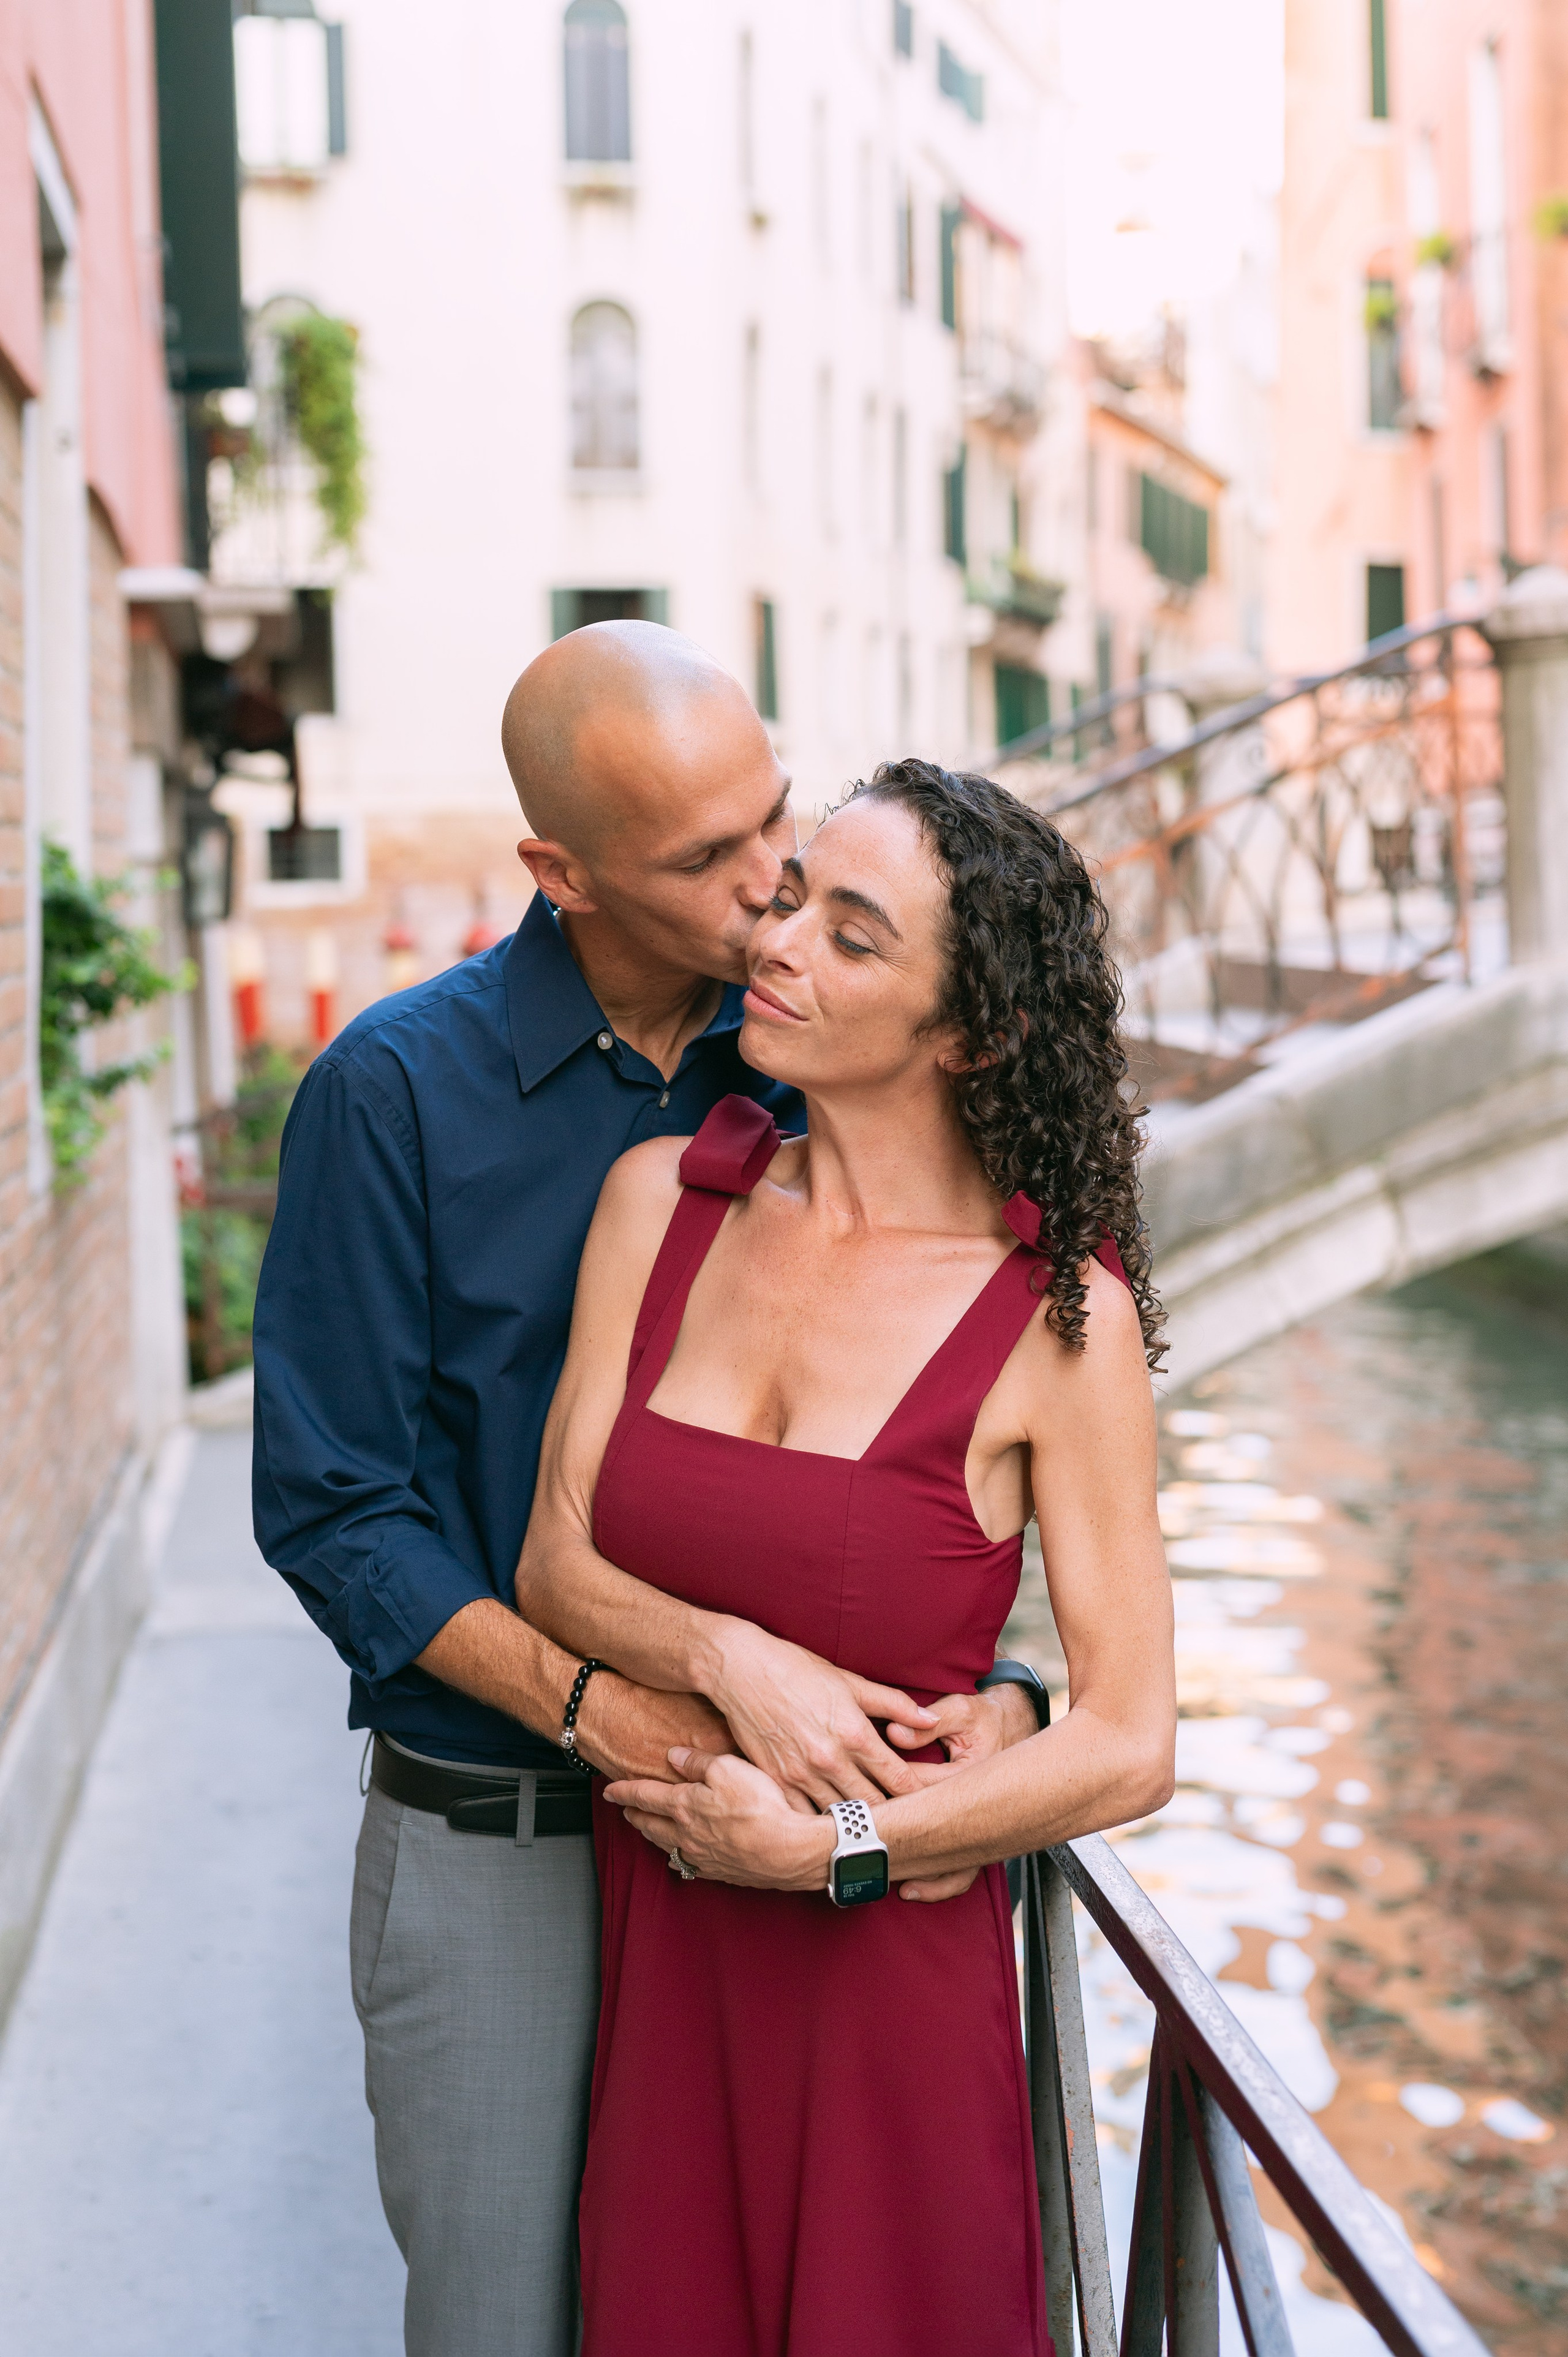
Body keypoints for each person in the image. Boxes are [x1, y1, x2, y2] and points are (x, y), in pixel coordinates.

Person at [251, 628, 1038, 2357]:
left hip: (790, 1886)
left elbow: (985, 1388)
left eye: (775, 816)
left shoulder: (824, 1047)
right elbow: (334, 1510)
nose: (773, 885)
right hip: (509, 1858)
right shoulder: (388, 1095)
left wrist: (1014, 1686)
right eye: (705, 861)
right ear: (561, 873)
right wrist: (606, 1704)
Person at [514, 761, 1178, 2356]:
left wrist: (836, 1849)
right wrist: (737, 1661)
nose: (782, 942)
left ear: (970, 1033)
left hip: (889, 2000)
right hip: (666, 1979)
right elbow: (555, 1561)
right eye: (796, 893)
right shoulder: (659, 1199)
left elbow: (1132, 1736)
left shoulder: (1058, 1323)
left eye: (853, 935)